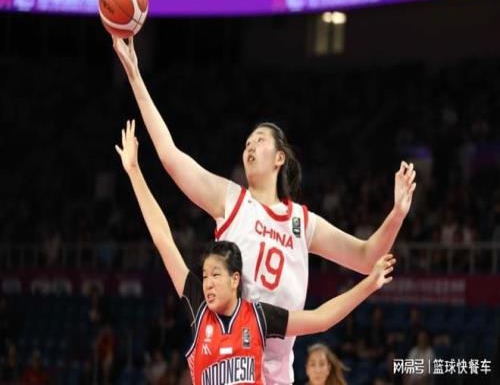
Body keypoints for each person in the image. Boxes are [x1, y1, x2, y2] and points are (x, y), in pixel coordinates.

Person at [112, 37, 416, 384]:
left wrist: (397, 214)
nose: (250, 146)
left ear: (280, 157)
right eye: (247, 143)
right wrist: (135, 75)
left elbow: (366, 257)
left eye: (259, 140)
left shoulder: (303, 222)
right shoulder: (231, 200)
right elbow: (169, 156)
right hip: (230, 347)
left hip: (275, 366)